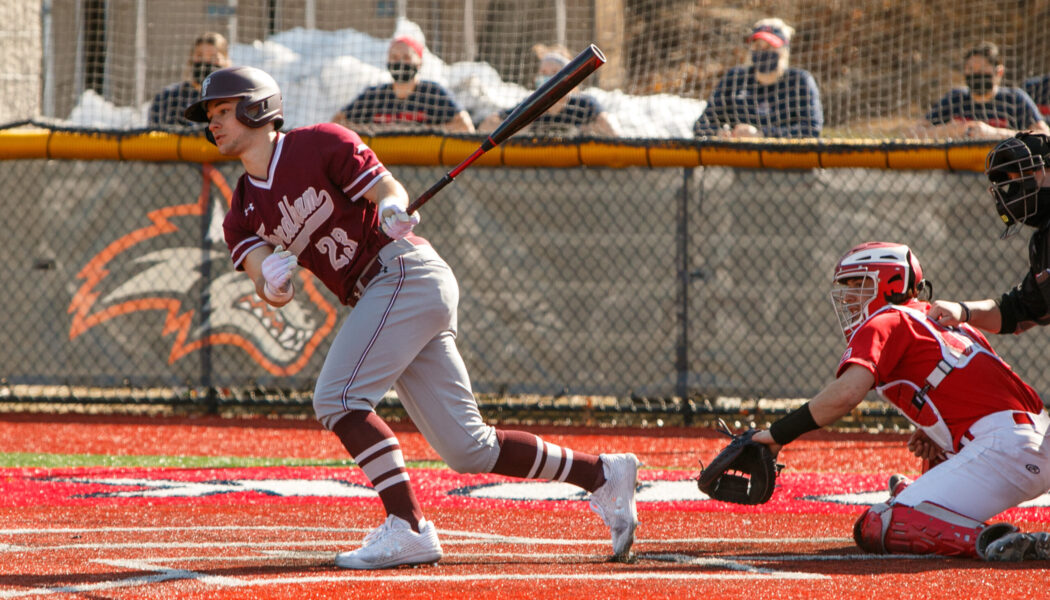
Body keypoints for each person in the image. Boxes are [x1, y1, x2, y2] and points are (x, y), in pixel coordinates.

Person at [183, 65, 640, 569]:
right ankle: (603, 474)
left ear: (257, 109)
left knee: (336, 398)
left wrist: (393, 212)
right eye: (211, 115)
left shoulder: (318, 143)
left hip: (403, 272)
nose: (214, 124)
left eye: (223, 111)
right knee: (470, 449)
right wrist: (273, 280)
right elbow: (269, 289)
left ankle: (409, 526)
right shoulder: (242, 209)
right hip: (384, 294)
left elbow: (386, 189)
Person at [747, 241, 1050, 561]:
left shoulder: (887, 319)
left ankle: (994, 541)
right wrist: (938, 429)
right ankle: (926, 501)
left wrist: (775, 435)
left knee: (879, 524)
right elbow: (982, 390)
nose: (850, 297)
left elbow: (847, 394)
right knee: (933, 457)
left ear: (890, 282)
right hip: (1034, 438)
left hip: (1007, 451)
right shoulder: (946, 321)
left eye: (859, 284)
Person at [928, 133, 1050, 334]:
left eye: (1024, 176)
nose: (1017, 190)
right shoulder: (1042, 243)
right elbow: (1016, 310)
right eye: (1013, 182)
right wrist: (963, 311)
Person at [692, 18, 823, 139]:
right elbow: (702, 124)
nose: (763, 51)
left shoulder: (800, 81)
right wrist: (721, 133)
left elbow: (812, 128)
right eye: (758, 46)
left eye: (769, 47)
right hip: (739, 159)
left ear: (784, 50)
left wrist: (760, 134)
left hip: (786, 159)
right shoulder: (735, 78)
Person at [331, 36, 474, 135]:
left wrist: (424, 132)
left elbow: (465, 127)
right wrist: (373, 130)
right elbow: (337, 122)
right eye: (394, 57)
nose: (400, 63)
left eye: (406, 57)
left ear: (419, 62)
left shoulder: (433, 93)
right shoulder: (374, 95)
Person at [478, 44, 620, 138]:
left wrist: (592, 129)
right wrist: (519, 129)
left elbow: (613, 133)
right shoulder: (530, 105)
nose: (548, 78)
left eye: (554, 73)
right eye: (543, 72)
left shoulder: (585, 105)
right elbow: (488, 124)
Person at [914, 41, 1049, 140]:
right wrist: (948, 130)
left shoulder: (1015, 99)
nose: (976, 74)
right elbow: (914, 132)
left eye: (983, 68)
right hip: (956, 170)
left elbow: (1045, 134)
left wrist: (994, 133)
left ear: (999, 72)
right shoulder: (955, 98)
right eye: (971, 69)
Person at [148, 32, 231, 128]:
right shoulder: (168, 97)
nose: (206, 62)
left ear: (225, 61)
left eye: (213, 57)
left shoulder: (232, 99)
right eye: (200, 56)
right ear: (191, 59)